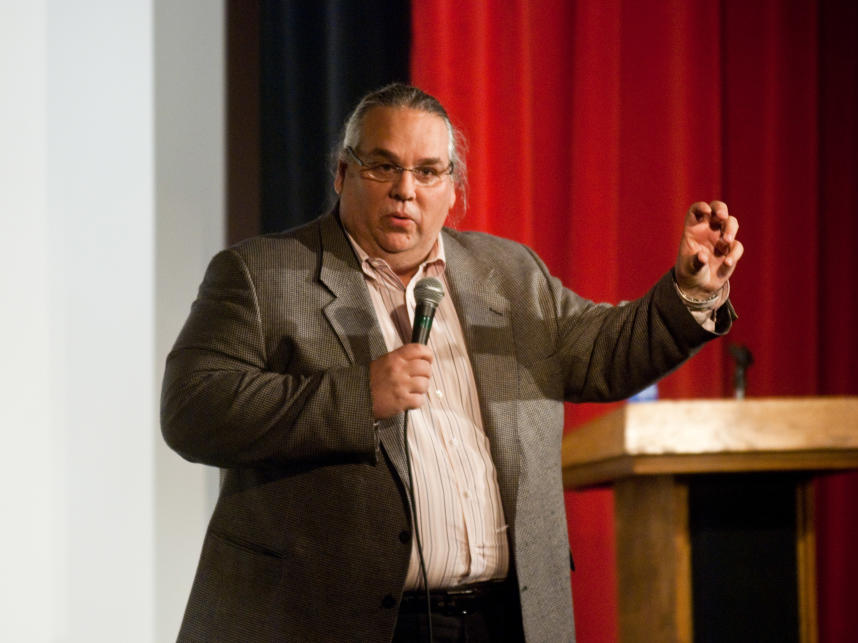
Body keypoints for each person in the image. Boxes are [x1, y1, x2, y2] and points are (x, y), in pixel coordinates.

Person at [161, 83, 743, 643]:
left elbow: (606, 354)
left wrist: (690, 293)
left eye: (427, 171)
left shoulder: (510, 275)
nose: (404, 190)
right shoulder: (264, 274)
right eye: (382, 166)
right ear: (341, 174)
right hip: (329, 620)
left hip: (503, 618)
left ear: (452, 188)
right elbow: (194, 407)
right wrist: (356, 396)